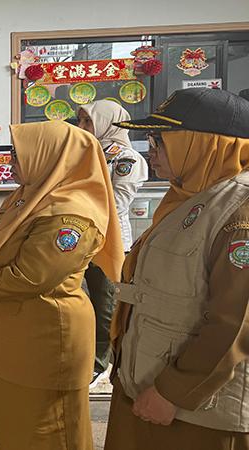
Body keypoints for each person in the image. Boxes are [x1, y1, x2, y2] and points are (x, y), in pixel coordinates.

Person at [0, 120, 124, 449]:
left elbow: (31, 276)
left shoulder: (70, 215)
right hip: (12, 339)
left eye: (19, 154)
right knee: (16, 430)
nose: (10, 161)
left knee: (48, 433)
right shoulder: (28, 197)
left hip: (44, 342)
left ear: (50, 157)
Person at [105, 88, 249, 449]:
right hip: (146, 384)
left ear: (204, 144)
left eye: (160, 140)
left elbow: (235, 320)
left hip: (194, 408)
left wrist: (174, 391)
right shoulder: (187, 196)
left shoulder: (238, 212)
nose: (150, 150)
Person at [77, 100, 149, 387]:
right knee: (80, 299)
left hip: (109, 241)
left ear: (106, 122)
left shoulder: (126, 159)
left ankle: (101, 364)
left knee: (105, 303)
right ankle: (86, 355)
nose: (81, 128)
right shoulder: (88, 154)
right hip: (80, 237)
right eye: (80, 121)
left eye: (87, 122)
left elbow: (116, 204)